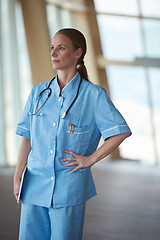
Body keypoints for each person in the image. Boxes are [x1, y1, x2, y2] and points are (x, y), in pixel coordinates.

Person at [14, 28, 131, 240]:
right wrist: (18, 174)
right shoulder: (38, 93)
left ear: (78, 53)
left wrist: (91, 159)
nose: (53, 53)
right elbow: (27, 136)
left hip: (68, 189)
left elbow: (120, 132)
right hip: (34, 185)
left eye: (61, 48)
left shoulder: (93, 95)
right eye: (52, 48)